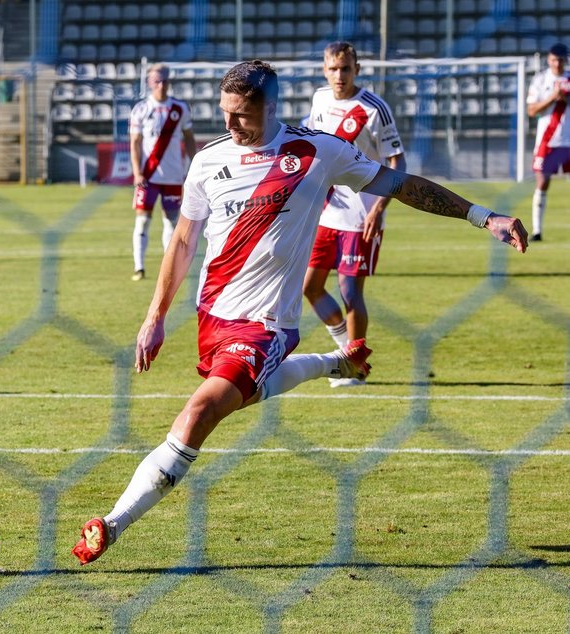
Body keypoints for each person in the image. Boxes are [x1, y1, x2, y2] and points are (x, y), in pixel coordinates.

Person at [72, 60, 528, 566]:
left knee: (199, 412)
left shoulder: (317, 152)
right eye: (224, 113)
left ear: (270, 108)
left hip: (266, 324)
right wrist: (154, 316)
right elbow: (182, 241)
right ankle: (334, 362)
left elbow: (401, 184)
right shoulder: (207, 161)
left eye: (241, 115)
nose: (230, 124)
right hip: (212, 316)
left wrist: (483, 216)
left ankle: (112, 523)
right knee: (240, 398)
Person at [302, 42, 406, 387]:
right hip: (326, 210)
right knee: (310, 287)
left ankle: (354, 368)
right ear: (324, 70)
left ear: (357, 69)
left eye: (346, 69)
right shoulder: (319, 99)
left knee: (350, 292)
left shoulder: (374, 109)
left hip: (362, 215)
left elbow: (397, 162)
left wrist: (380, 207)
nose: (339, 76)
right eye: (333, 69)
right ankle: (347, 352)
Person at [129, 63, 197, 281]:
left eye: (165, 80)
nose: (161, 85)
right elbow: (135, 143)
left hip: (173, 176)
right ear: (149, 83)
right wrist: (137, 173)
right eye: (157, 81)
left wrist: (193, 166)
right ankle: (139, 267)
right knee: (142, 221)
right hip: (148, 176)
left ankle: (169, 267)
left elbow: (188, 137)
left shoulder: (180, 108)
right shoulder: (140, 109)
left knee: (171, 221)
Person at [527, 42, 570, 242]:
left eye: (561, 60)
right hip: (547, 141)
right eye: (554, 60)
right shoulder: (540, 79)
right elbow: (532, 110)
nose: (557, 63)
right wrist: (553, 97)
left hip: (568, 140)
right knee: (542, 182)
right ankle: (537, 231)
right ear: (548, 59)